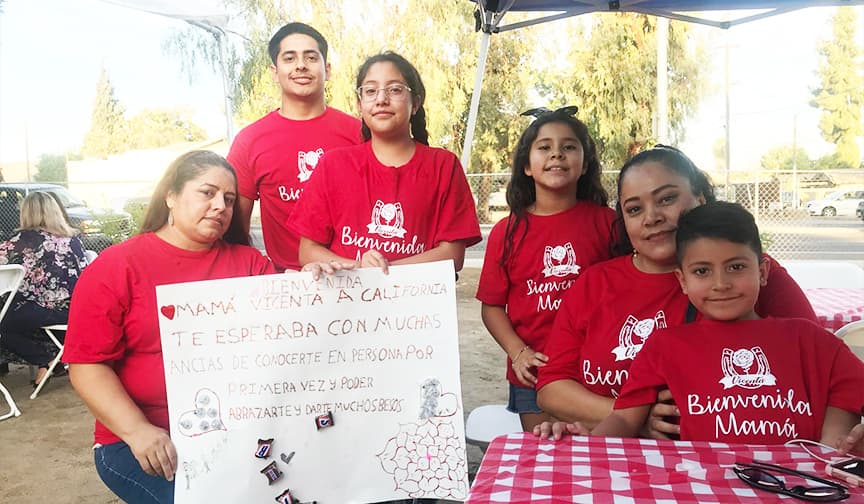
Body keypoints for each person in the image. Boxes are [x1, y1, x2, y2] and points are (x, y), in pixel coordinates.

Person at [536, 145, 817, 437]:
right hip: (618, 454)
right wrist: (632, 418)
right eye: (634, 209)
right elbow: (551, 387)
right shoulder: (595, 283)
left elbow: (814, 369)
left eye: (667, 199)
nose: (651, 217)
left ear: (701, 198)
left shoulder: (747, 275)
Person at [538, 202, 864, 446]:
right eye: (702, 271)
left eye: (736, 267)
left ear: (763, 272)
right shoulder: (664, 346)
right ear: (682, 280)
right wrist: (583, 443)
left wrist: (834, 443)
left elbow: (849, 395)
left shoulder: (808, 339)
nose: (720, 283)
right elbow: (624, 418)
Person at [64, 151, 276, 504]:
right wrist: (138, 431)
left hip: (239, 434)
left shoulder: (251, 265)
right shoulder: (117, 266)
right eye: (206, 193)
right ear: (171, 197)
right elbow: (87, 366)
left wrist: (319, 280)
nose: (220, 206)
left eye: (228, 199)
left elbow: (290, 331)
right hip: (142, 440)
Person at [475, 106, 615, 431]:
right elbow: (492, 307)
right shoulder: (506, 232)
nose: (557, 154)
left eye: (569, 146)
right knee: (548, 455)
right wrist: (518, 352)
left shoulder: (608, 224)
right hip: (533, 372)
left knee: (596, 461)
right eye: (544, 147)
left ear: (585, 164)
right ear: (526, 165)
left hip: (593, 372)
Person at [290, 51, 481, 274]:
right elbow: (308, 250)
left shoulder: (443, 166)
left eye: (395, 90)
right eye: (370, 91)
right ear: (360, 105)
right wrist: (360, 267)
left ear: (416, 103)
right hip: (346, 303)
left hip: (416, 304)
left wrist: (382, 271)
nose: (381, 99)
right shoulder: (332, 165)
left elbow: (452, 255)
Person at [227, 22, 361, 272]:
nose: (301, 65)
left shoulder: (359, 133)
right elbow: (236, 233)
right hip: (288, 288)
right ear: (274, 71)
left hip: (357, 279)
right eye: (289, 58)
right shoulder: (250, 141)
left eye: (311, 57)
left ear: (327, 69)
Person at [0, 191, 86, 387]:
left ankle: (46, 359)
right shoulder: (73, 239)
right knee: (16, 315)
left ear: (27, 213)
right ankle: (54, 361)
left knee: (4, 325)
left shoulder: (22, 240)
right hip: (75, 310)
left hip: (43, 310)